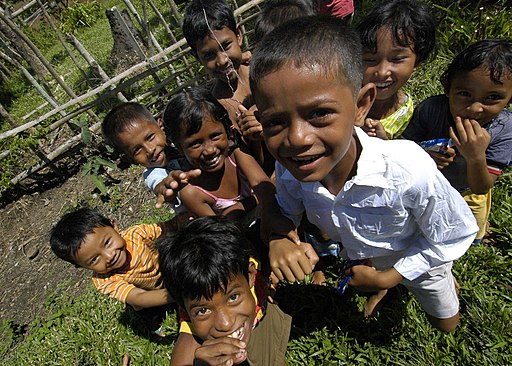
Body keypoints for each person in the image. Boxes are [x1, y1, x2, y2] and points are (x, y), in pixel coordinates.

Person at [250, 15, 478, 332]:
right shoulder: (292, 172)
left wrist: (390, 276)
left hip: (422, 256)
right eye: (275, 122)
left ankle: (421, 281)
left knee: (447, 325)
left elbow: (453, 233)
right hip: (366, 258)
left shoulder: (408, 170)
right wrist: (279, 237)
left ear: (361, 105)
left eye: (318, 114)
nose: (296, 139)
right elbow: (284, 210)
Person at [402, 39, 512, 243]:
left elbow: (481, 187)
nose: (475, 108)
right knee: (422, 229)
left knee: (468, 236)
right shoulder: (431, 110)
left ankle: (480, 232)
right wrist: (424, 157)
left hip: (468, 192)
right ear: (447, 87)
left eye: (493, 97)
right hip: (429, 187)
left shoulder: (504, 129)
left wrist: (476, 156)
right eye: (464, 94)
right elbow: (404, 148)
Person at [157, 215, 292, 366]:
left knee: (273, 355)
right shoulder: (193, 348)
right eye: (202, 311)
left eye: (233, 297)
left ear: (251, 277)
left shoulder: (240, 264)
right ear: (184, 309)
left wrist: (265, 288)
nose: (226, 324)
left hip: (263, 321)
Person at [49, 207, 189, 333]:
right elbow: (139, 298)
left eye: (107, 243)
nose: (109, 256)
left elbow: (168, 226)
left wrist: (188, 216)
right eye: (94, 259)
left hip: (167, 272)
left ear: (115, 227)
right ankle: (154, 326)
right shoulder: (105, 281)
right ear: (81, 266)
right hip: (145, 295)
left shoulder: (136, 235)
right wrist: (180, 293)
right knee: (145, 310)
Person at [162, 86, 274, 228]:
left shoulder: (236, 153)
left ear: (226, 129)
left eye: (215, 136)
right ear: (179, 147)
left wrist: (233, 212)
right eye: (195, 144)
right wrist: (254, 201)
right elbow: (223, 233)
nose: (209, 150)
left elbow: (266, 189)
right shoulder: (192, 192)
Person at [183, 0, 265, 168]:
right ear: (197, 57)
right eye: (208, 55)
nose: (222, 60)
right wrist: (253, 138)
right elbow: (254, 165)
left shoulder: (263, 70)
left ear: (239, 35)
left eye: (226, 46)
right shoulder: (217, 107)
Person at [356, 0, 437, 140]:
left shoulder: (407, 113)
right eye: (370, 60)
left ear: (418, 61)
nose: (382, 72)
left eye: (397, 59)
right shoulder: (343, 101)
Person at [101, 102, 198, 210]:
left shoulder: (181, 142)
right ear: (129, 159)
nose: (150, 150)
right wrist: (163, 188)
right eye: (137, 150)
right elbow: (157, 184)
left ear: (160, 126)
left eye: (150, 137)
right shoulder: (154, 174)